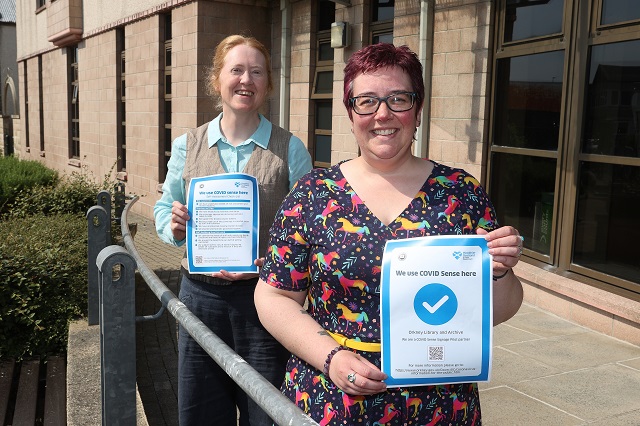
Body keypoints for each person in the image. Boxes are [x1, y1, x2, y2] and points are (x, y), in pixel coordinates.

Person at [254, 43, 524, 425]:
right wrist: (331, 359)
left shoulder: (461, 192)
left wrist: (500, 270)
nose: (383, 113)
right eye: (366, 101)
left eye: (398, 98)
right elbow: (274, 295)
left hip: (440, 404)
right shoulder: (313, 194)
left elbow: (498, 309)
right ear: (350, 112)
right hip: (333, 398)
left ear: (418, 108)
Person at [154, 34, 312, 425]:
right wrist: (173, 225)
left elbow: (309, 229)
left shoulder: (290, 148)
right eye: (237, 70)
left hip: (265, 302)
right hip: (199, 297)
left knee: (266, 411)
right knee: (202, 411)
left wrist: (274, 263)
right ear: (217, 79)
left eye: (257, 71)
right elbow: (162, 207)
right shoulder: (186, 145)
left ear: (268, 83)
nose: (247, 80)